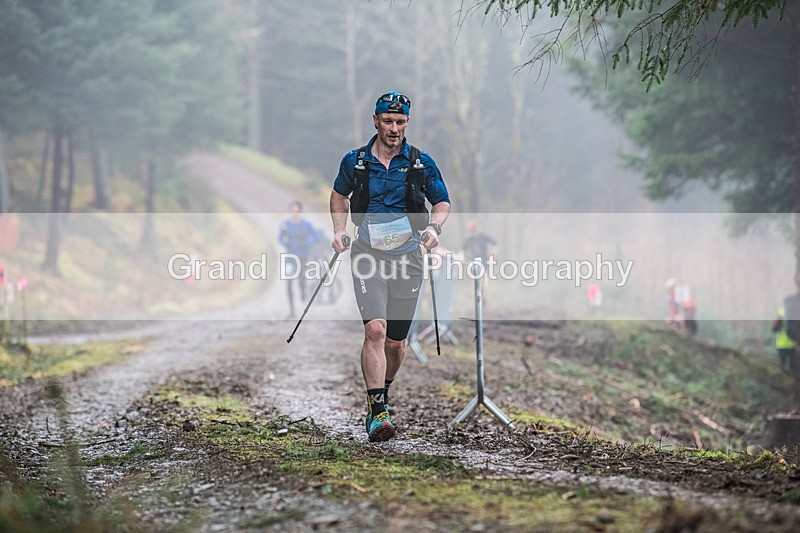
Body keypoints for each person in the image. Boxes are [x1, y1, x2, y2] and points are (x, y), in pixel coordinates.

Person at [330, 91, 450, 442]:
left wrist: (434, 228)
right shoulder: (355, 162)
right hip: (367, 255)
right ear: (376, 121)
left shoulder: (420, 163)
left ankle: (381, 392)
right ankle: (378, 410)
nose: (394, 128)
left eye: (400, 122)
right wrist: (339, 231)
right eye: (388, 121)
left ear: (407, 123)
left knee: (396, 344)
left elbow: (441, 201)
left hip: (409, 258)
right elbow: (339, 195)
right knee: (376, 332)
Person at [278, 200, 318, 317]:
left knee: (301, 278)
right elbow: (279, 238)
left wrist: (308, 242)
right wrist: (285, 243)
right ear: (291, 211)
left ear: (300, 211)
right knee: (289, 282)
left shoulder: (306, 224)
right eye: (293, 211)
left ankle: (303, 292)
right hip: (290, 257)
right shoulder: (285, 225)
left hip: (303, 256)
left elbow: (314, 236)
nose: (295, 213)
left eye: (297, 211)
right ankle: (291, 309)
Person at [773, 305, 797, 373]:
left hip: (781, 344)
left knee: (782, 366)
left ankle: (782, 380)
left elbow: (775, 328)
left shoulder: (781, 312)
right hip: (793, 344)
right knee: (793, 367)